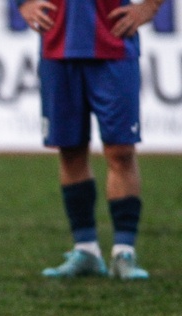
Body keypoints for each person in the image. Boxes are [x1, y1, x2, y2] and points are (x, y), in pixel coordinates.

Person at [19, 0, 164, 280]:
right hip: (57, 47)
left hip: (115, 46)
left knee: (120, 151)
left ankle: (124, 252)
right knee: (70, 151)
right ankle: (86, 249)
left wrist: (150, 6)